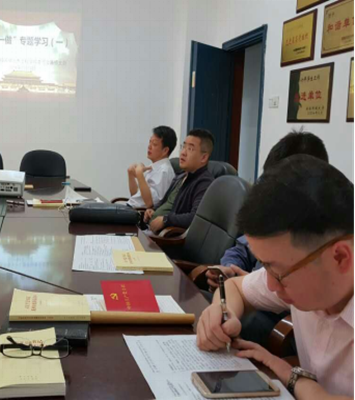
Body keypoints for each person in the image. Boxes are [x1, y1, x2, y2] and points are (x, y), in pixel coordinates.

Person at [196, 155, 352, 398]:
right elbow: (235, 287)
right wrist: (223, 311)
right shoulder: (306, 269)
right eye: (265, 267)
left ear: (340, 257)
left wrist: (293, 377)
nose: (270, 284)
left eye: (278, 273)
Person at [205, 131, 330, 348]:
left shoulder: (318, 236)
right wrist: (230, 275)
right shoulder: (274, 217)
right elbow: (242, 251)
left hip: (277, 315)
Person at [143, 129, 215, 232]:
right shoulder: (180, 176)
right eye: (183, 147)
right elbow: (165, 201)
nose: (183, 153)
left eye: (190, 149)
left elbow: (196, 218)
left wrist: (166, 220)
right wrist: (152, 210)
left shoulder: (205, 183)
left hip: (166, 238)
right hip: (149, 229)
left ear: (203, 157)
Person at [126, 126, 176, 209]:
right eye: (150, 142)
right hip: (131, 208)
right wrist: (130, 174)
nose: (149, 146)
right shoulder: (154, 167)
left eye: (154, 144)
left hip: (138, 213)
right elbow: (136, 196)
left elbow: (149, 204)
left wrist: (139, 174)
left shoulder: (164, 171)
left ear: (165, 150)